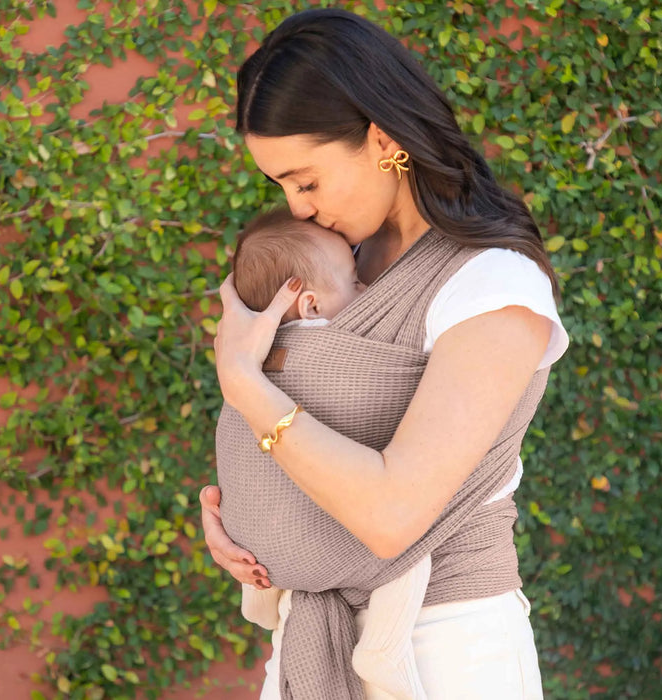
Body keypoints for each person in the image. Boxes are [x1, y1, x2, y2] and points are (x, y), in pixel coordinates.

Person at [201, 8, 569, 699]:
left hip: (445, 650)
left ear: (382, 139)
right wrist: (242, 519)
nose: (297, 208)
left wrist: (244, 381)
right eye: (279, 185)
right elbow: (297, 436)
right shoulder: (332, 273)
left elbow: (390, 515)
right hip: (308, 640)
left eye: (306, 181)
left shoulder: (493, 285)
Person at [223, 208, 432, 700]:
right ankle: (383, 648)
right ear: (311, 306)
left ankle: (259, 600)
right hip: (343, 539)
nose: (366, 291)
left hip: (264, 555)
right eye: (356, 282)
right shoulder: (340, 350)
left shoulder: (255, 357)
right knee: (412, 550)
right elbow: (385, 398)